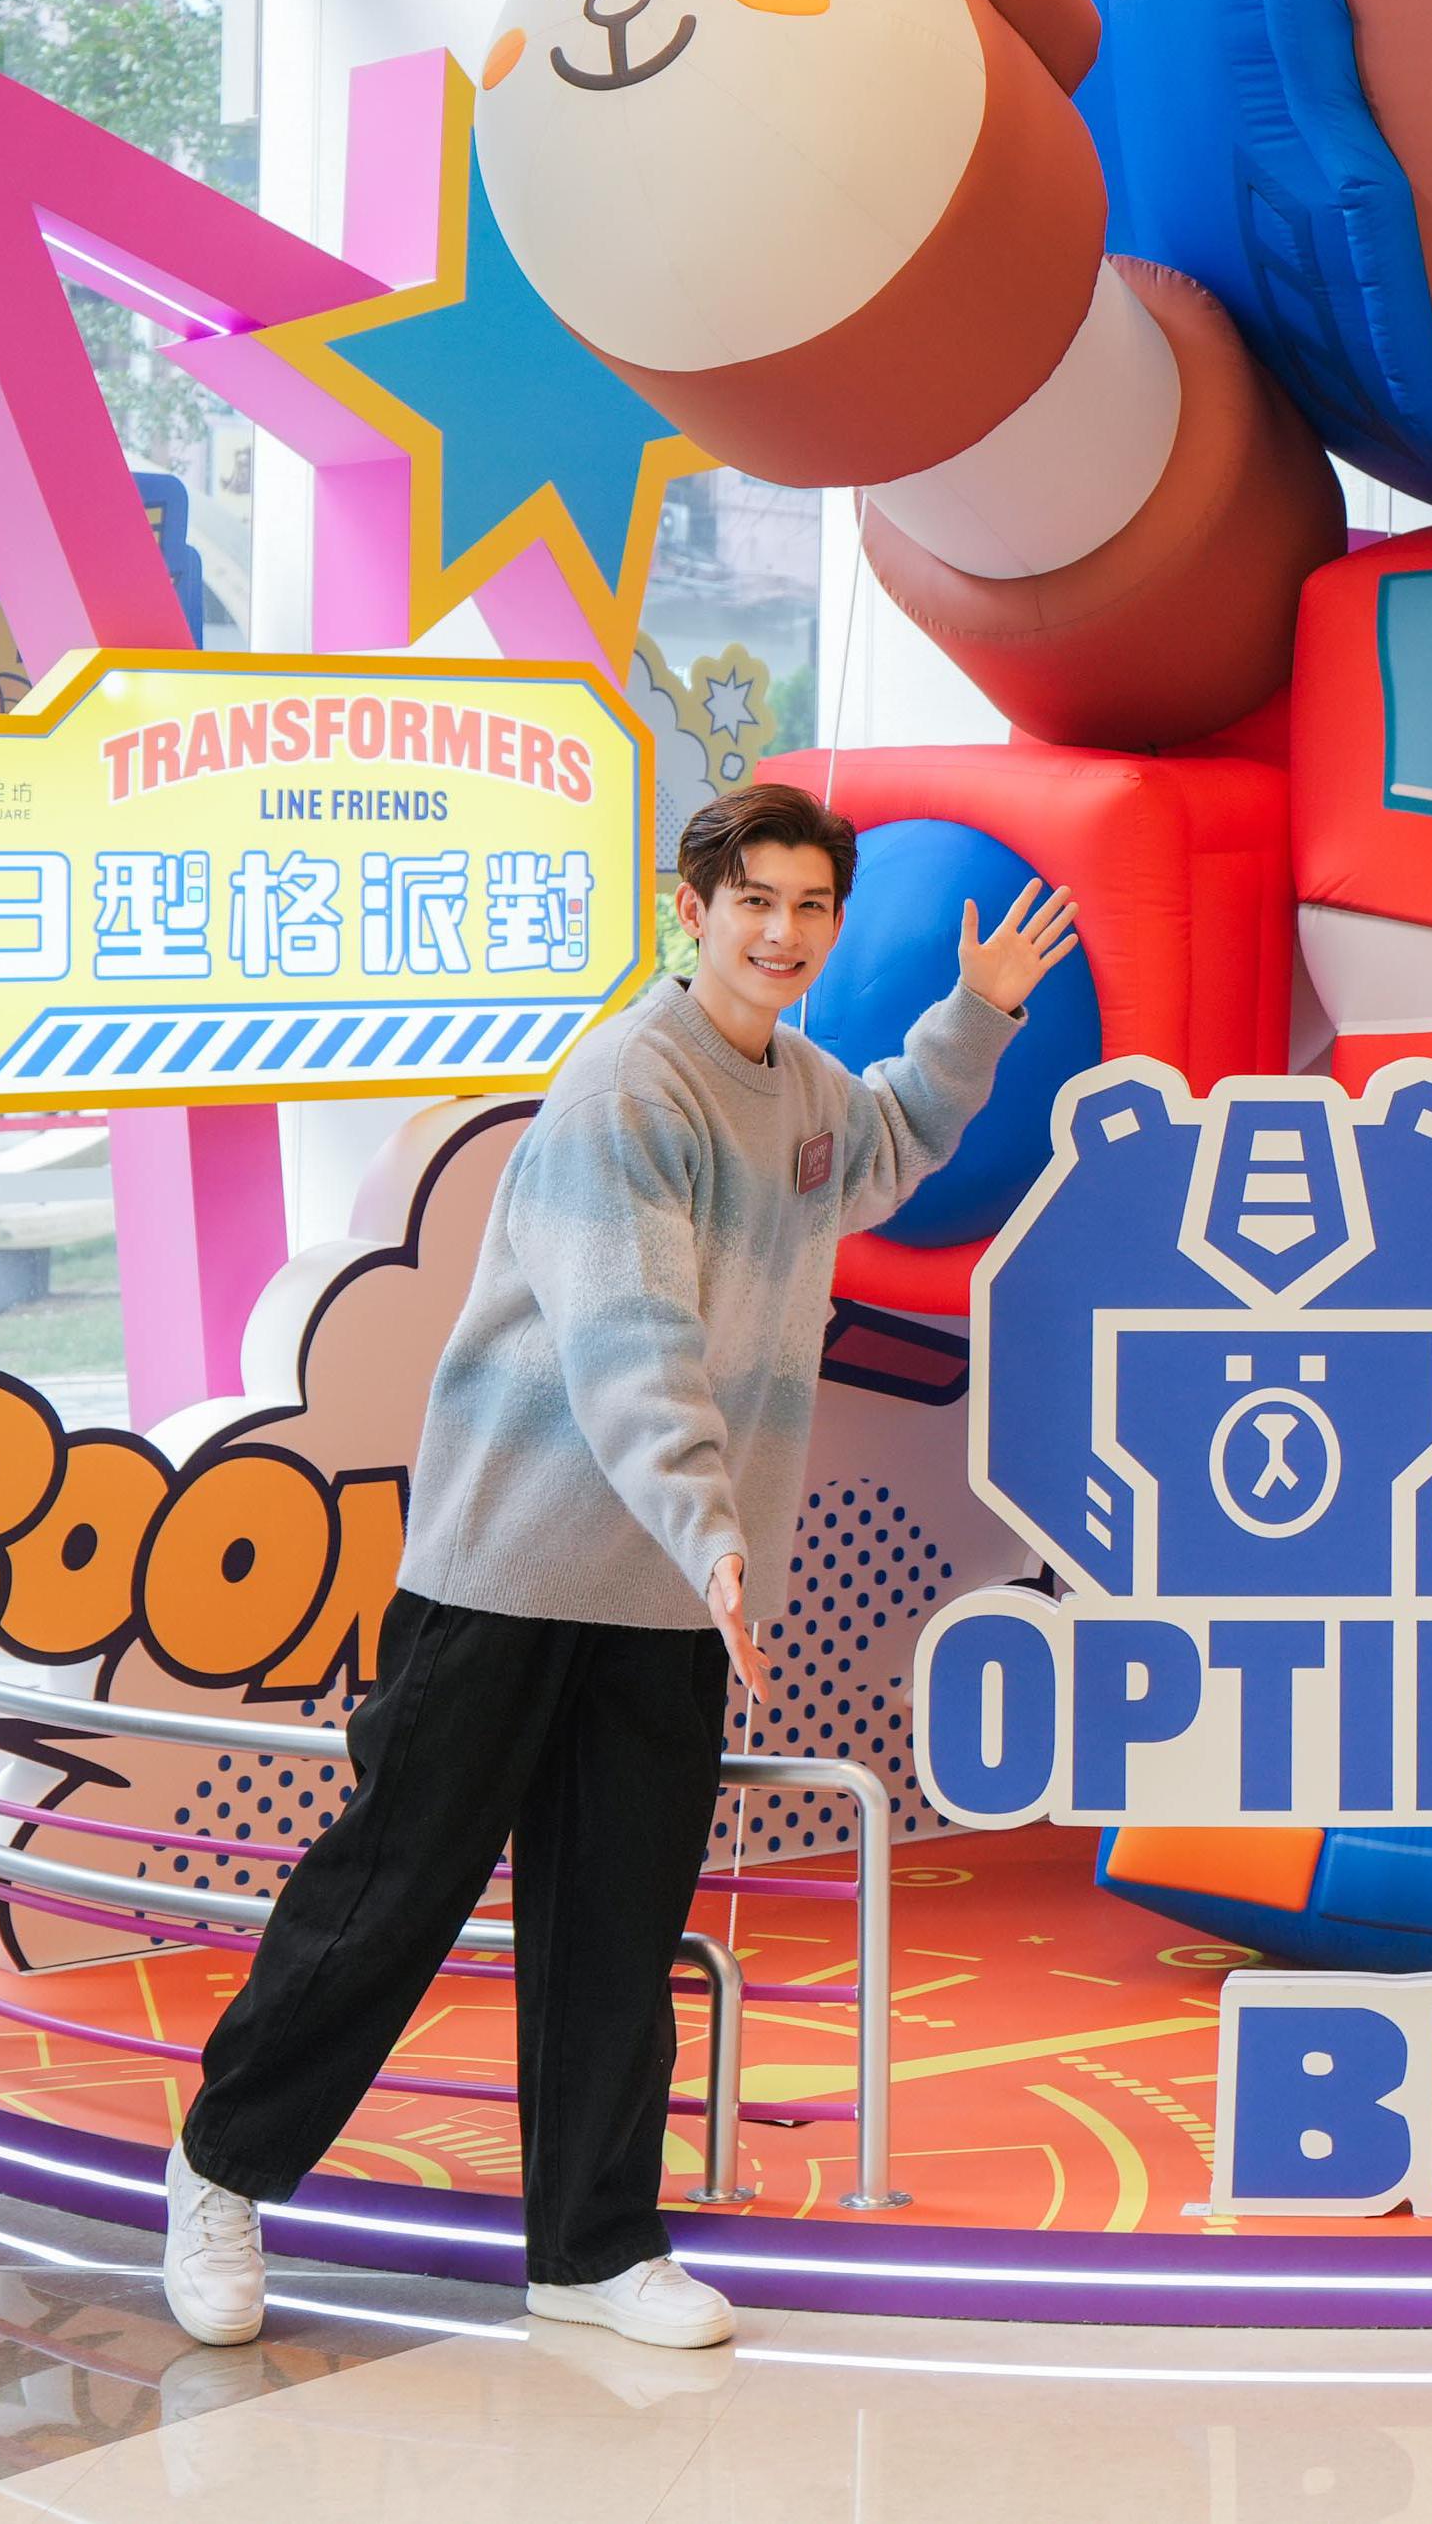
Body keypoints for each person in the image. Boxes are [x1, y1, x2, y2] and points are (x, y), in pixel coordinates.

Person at [157, 782, 1079, 2353]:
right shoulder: (625, 1087)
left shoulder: (799, 1088)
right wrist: (713, 1523)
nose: (782, 931)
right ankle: (220, 2164)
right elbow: (627, 1337)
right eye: (755, 900)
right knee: (393, 1894)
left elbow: (888, 1146)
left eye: (810, 905)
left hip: (669, 1584)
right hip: (515, 1563)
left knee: (618, 1923)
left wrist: (974, 1016)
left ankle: (590, 2243)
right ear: (692, 909)